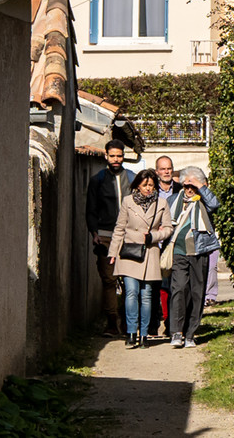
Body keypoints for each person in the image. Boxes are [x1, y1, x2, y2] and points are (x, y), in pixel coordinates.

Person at [109, 168, 173, 348]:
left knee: (146, 296)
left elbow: (168, 228)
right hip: (129, 253)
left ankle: (144, 334)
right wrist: (113, 252)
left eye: (151, 185)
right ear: (137, 185)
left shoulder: (161, 203)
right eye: (145, 185)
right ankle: (131, 331)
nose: (148, 188)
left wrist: (154, 236)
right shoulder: (128, 201)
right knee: (131, 292)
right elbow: (119, 228)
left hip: (149, 253)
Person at [163, 167, 220, 348]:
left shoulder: (204, 201)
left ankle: (190, 334)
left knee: (197, 292)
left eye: (192, 185)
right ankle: (176, 332)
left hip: (199, 251)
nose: (189, 189)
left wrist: (199, 186)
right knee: (179, 289)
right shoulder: (174, 200)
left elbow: (215, 204)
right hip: (178, 251)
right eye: (186, 185)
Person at [84, 140, 132, 336]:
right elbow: (91, 209)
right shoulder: (98, 180)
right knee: (109, 281)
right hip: (105, 236)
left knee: (129, 281)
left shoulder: (132, 178)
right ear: (106, 156)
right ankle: (112, 322)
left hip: (129, 237)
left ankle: (128, 322)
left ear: (123, 157)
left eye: (119, 156)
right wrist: (94, 233)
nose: (116, 159)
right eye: (112, 156)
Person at [149, 156, 179, 337]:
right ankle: (152, 324)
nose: (166, 172)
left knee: (171, 286)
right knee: (153, 286)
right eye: (163, 169)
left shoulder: (181, 190)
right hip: (154, 243)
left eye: (169, 168)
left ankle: (170, 324)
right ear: (157, 171)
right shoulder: (150, 191)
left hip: (172, 244)